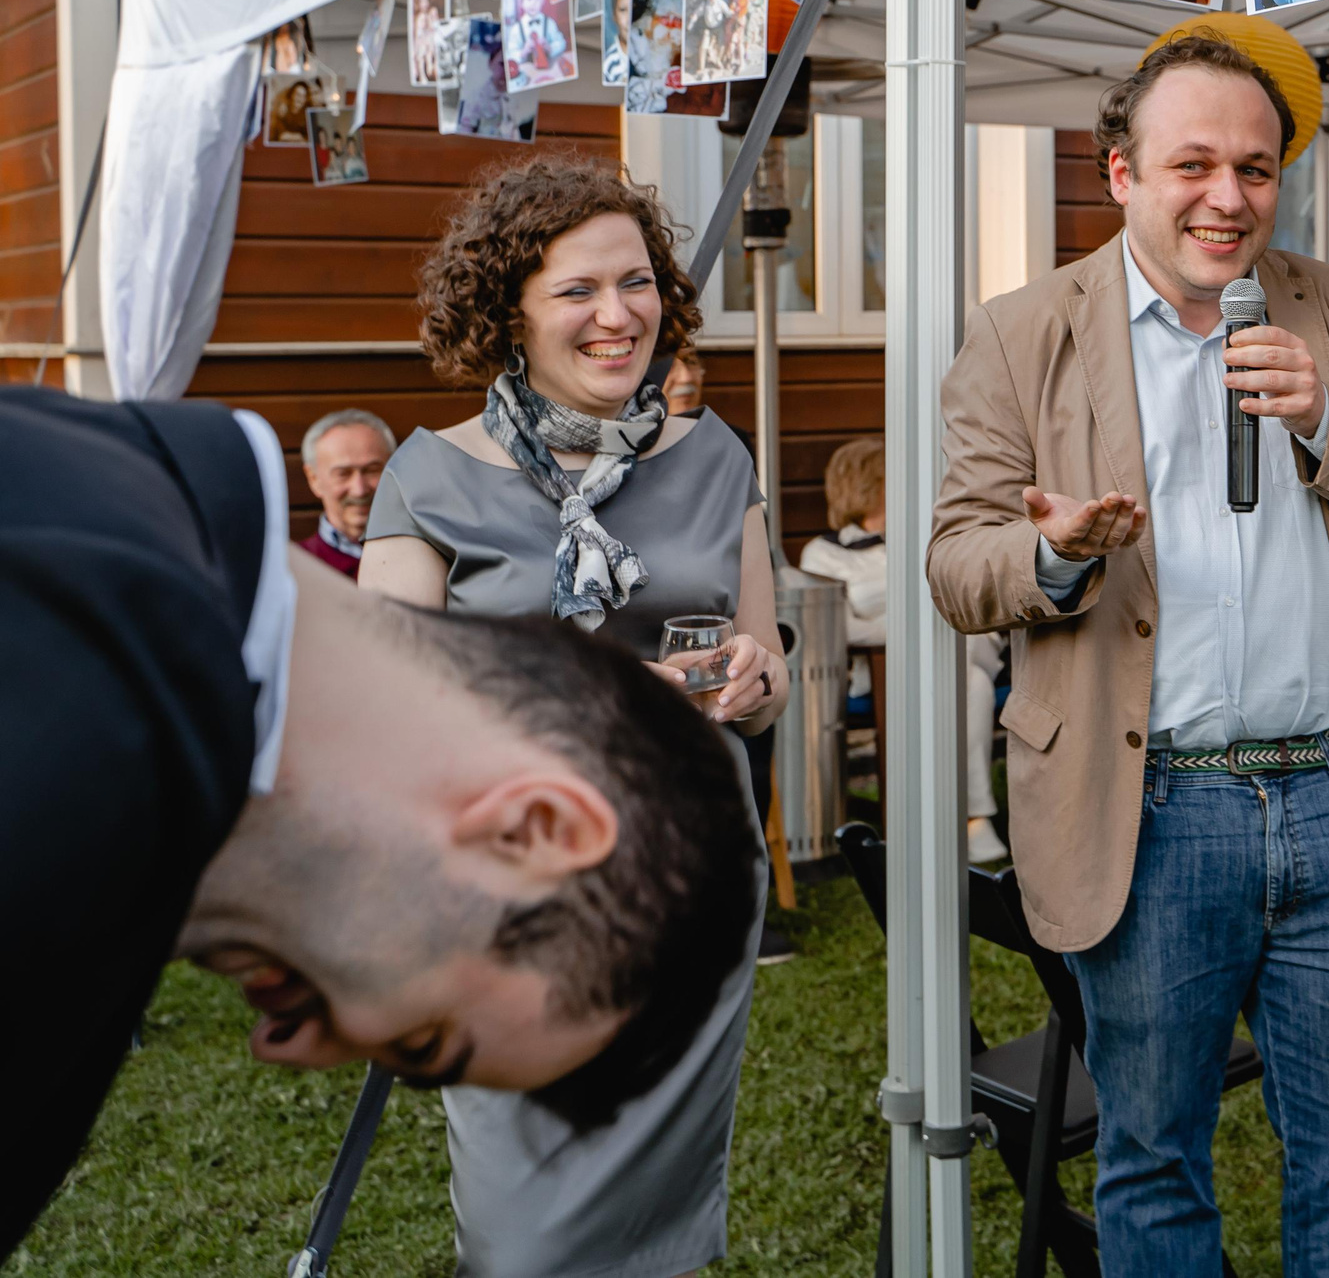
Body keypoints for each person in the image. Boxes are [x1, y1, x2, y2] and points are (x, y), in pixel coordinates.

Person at [927, 31, 1329, 1273]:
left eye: (1254, 168)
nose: (1227, 198)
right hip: (1151, 811)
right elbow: (959, 564)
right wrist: (1057, 556)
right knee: (1155, 1159)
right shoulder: (1023, 333)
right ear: (1119, 172)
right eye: (1193, 164)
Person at [0, 385, 761, 1260]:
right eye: (422, 1031)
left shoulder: (162, 471)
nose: (295, 1047)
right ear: (530, 829)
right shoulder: (58, 791)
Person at [358, 154, 786, 1278]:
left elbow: (771, 659)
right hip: (515, 906)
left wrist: (751, 679)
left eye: (637, 282)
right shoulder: (426, 480)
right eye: (579, 291)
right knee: (529, 1238)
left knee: (665, 1237)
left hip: (692, 882)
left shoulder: (715, 458)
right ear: (510, 312)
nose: (619, 315)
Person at [804, 438, 1010, 865]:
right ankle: (972, 818)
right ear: (868, 485)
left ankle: (949, 817)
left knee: (961, 664)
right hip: (884, 669)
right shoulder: (823, 553)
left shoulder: (927, 536)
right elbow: (845, 628)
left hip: (966, 647)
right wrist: (916, 627)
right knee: (967, 682)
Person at [299, 407, 395, 576]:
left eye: (371, 470)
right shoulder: (295, 569)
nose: (359, 490)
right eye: (343, 474)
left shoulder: (428, 557)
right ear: (314, 479)